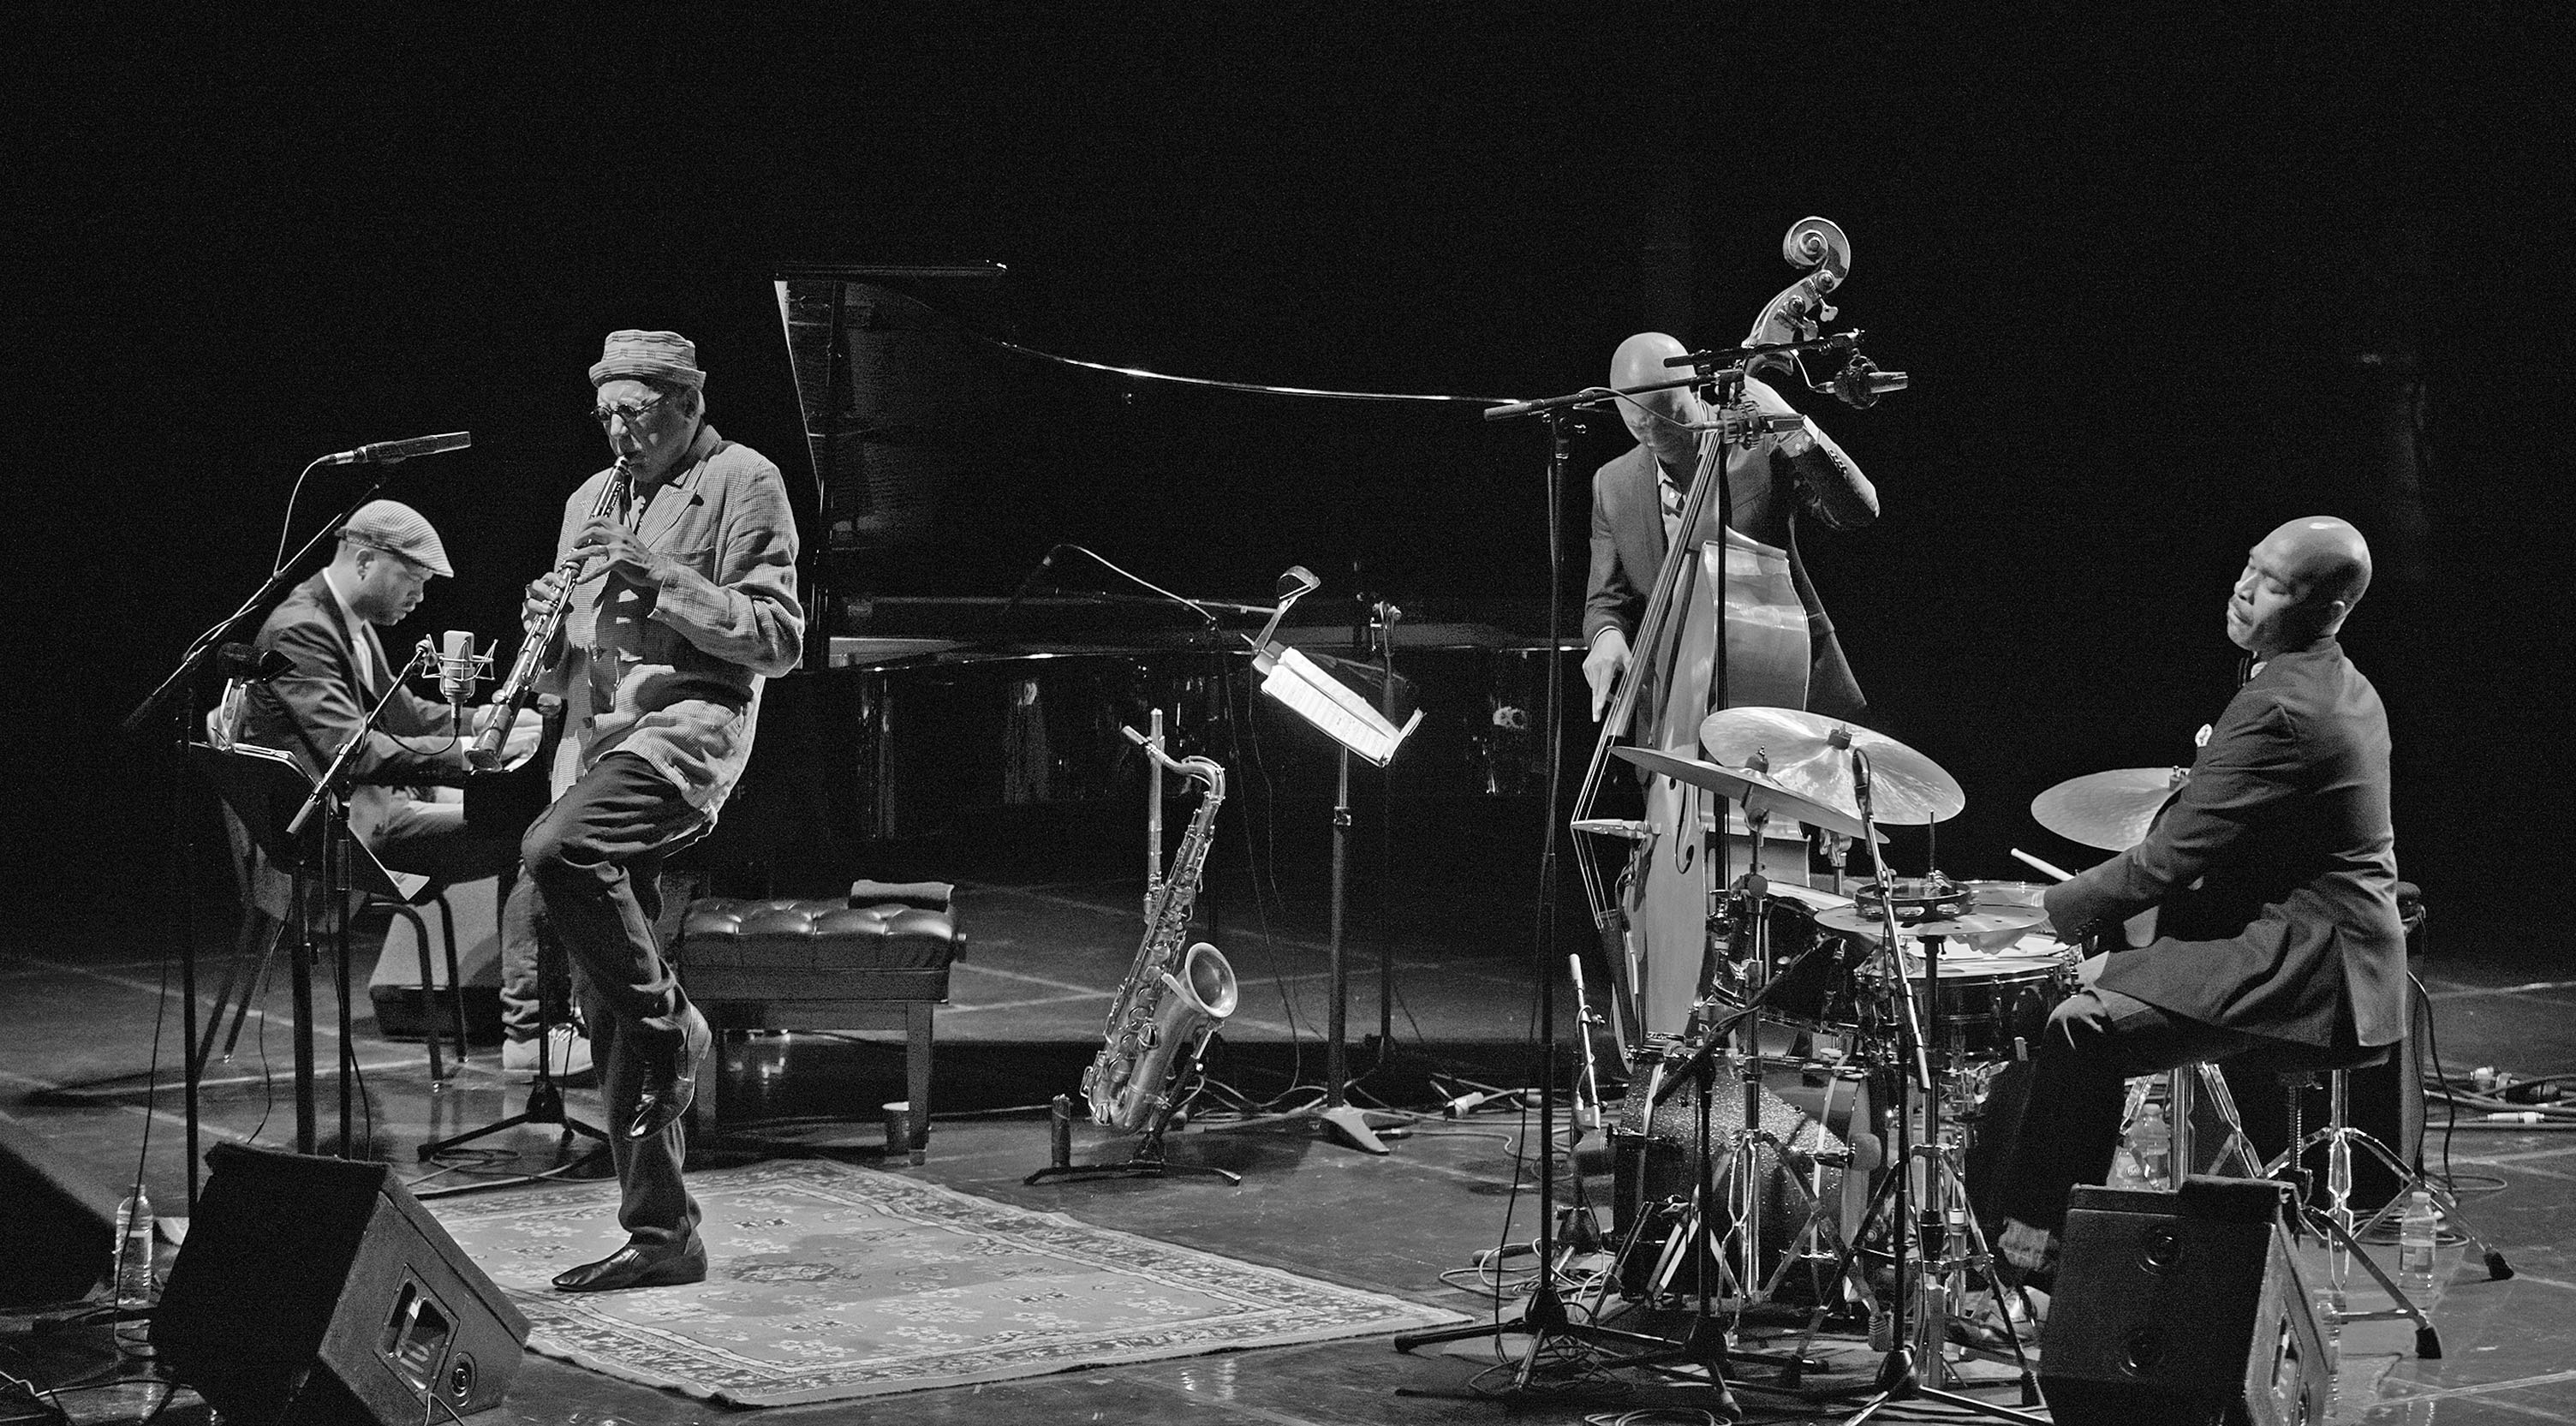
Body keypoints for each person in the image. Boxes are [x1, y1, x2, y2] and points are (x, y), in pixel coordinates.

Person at [1991, 516, 2406, 1274]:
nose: (2244, 591)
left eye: (2273, 585)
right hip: (2328, 946)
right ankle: (2052, 1245)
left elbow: (2168, 859)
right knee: (2086, 995)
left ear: (2329, 608)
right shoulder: (2334, 680)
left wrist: (2043, 916)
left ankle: (2037, 1259)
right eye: (2248, 569)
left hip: (2312, 962)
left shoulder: (2280, 702)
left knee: (2082, 1023)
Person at [496, 330, 803, 1293]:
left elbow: (778, 640)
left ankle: (680, 1030)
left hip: (682, 739)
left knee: (555, 853)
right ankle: (665, 1236)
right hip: (593, 744)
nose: (618, 432)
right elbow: (563, 669)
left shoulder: (743, 480)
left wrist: (658, 575)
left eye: (635, 413)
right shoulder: (588, 498)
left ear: (685, 403)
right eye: (606, 416)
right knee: (604, 1001)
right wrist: (539, 629)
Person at [232, 501, 571, 1075]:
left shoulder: (343, 622)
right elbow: (355, 751)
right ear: (366, 559)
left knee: (528, 826)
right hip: (332, 840)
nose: (420, 596)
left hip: (367, 815)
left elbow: (405, 715)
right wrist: (473, 755)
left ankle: (542, 1019)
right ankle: (531, 1029)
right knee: (535, 837)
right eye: (413, 579)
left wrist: (497, 718)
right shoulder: (301, 629)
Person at [1581, 331, 1878, 725]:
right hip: (1678, 711)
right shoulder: (1611, 484)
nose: (1656, 438)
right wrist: (1606, 636)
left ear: (1695, 388)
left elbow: (1858, 510)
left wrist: (1795, 427)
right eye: (1640, 428)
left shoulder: (1760, 445)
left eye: (1668, 421)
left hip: (1789, 693)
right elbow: (1605, 600)